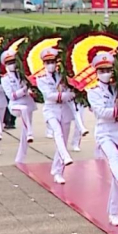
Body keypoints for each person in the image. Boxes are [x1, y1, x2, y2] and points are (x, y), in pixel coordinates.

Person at [87, 52, 118, 226]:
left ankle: (114, 212)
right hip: (105, 132)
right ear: (96, 72)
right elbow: (102, 112)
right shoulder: (93, 91)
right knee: (114, 160)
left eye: (108, 70)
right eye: (102, 71)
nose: (106, 73)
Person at [36, 47, 76, 184]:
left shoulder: (62, 75)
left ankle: (58, 171)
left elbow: (71, 90)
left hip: (64, 110)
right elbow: (49, 95)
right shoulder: (41, 78)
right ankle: (65, 156)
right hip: (51, 109)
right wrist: (66, 95)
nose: (51, 65)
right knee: (57, 133)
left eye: (52, 62)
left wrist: (69, 93)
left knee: (63, 140)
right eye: (48, 62)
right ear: (44, 63)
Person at [0, 50, 37, 164]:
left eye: (13, 62)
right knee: (24, 112)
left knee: (24, 135)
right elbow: (11, 96)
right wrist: (23, 91)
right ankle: (30, 131)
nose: (12, 65)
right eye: (9, 63)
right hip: (16, 105)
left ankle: (20, 158)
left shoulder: (22, 75)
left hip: (27, 103)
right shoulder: (5, 79)